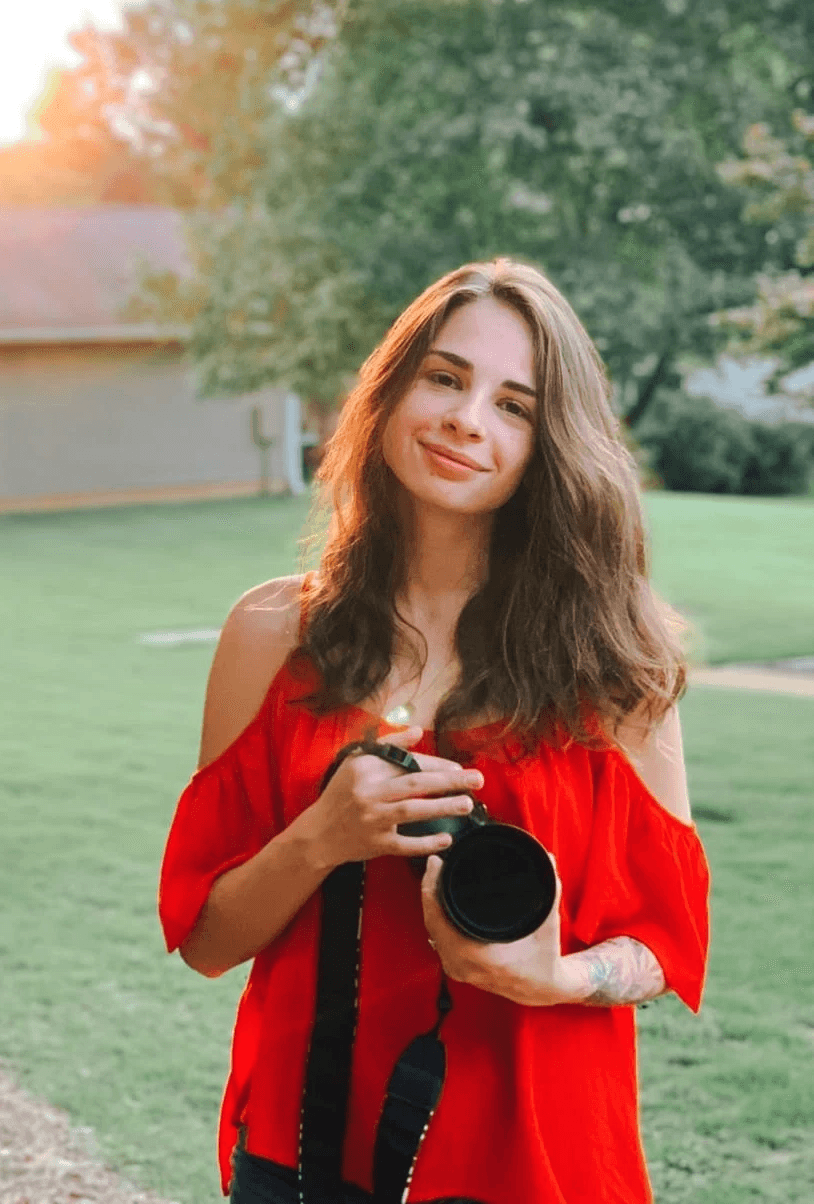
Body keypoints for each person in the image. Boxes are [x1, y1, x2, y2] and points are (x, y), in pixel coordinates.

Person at [158, 258, 710, 1204]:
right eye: (446, 378)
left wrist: (560, 978)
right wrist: (321, 838)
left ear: (552, 446)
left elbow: (668, 938)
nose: (466, 418)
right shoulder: (271, 634)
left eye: (515, 406)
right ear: (390, 392)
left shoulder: (614, 662)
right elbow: (207, 939)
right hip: (308, 1147)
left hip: (533, 1156)